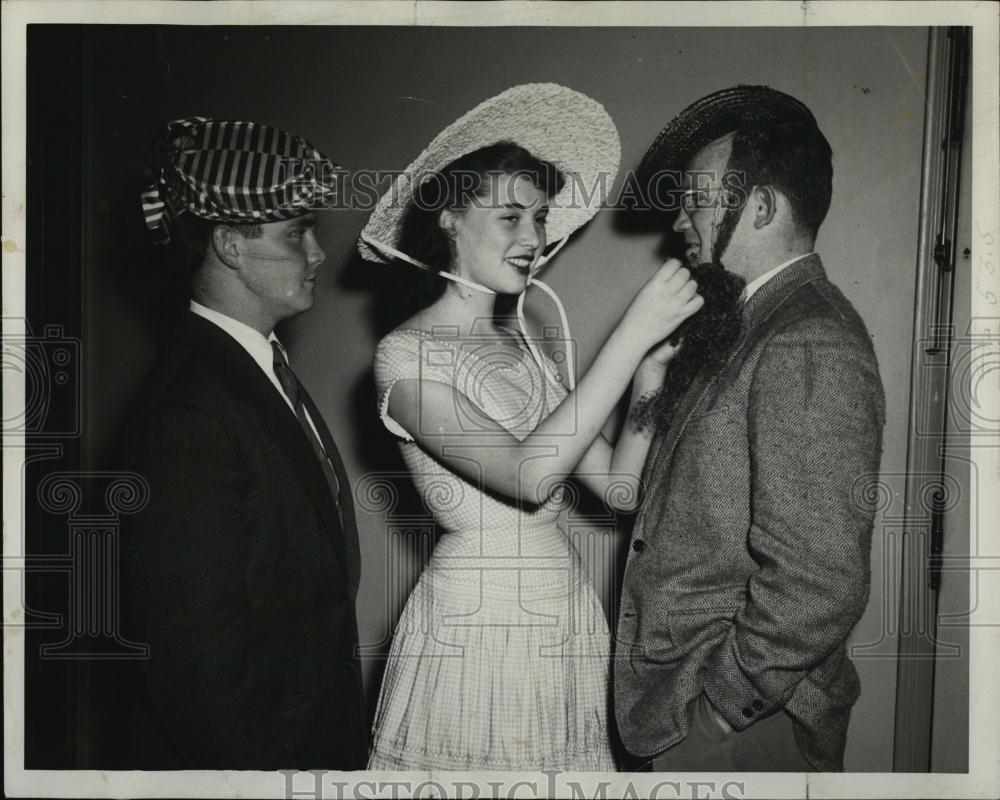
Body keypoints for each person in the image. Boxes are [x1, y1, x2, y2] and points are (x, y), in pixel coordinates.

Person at [357, 83, 703, 771]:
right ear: (450, 218)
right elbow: (526, 474)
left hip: (561, 610)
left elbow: (618, 489)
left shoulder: (529, 350)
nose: (534, 238)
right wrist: (629, 336)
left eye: (540, 219)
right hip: (478, 624)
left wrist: (650, 378)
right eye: (511, 217)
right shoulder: (403, 358)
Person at [615, 85, 886, 772]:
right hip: (707, 716)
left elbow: (819, 582)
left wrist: (717, 712)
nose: (681, 221)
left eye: (699, 199)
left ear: (761, 207)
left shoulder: (807, 339)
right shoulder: (753, 326)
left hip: (742, 728)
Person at [120, 117, 367, 769]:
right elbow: (202, 677)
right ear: (229, 243)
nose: (316, 252)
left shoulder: (255, 371)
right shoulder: (190, 413)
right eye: (295, 234)